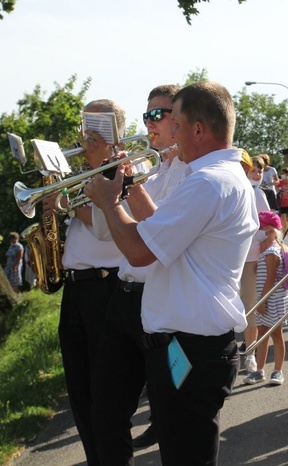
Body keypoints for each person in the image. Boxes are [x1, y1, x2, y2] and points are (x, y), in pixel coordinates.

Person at [84, 81, 257, 466]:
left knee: (185, 454)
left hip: (190, 346)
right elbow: (163, 227)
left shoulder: (207, 183)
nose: (169, 132)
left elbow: (139, 250)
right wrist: (126, 187)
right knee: (183, 450)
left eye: (175, 123)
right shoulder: (215, 179)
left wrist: (109, 202)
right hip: (187, 343)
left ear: (198, 130)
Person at [89, 84, 189, 460]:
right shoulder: (152, 170)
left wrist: (124, 185)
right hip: (124, 296)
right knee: (106, 409)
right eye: (146, 116)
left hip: (161, 304)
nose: (149, 124)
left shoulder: (190, 176)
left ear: (181, 120)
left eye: (158, 115)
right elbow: (107, 232)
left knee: (172, 415)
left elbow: (158, 235)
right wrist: (110, 177)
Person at [42, 99, 124, 465]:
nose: (85, 131)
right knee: (79, 389)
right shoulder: (84, 172)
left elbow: (108, 228)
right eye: (84, 122)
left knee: (103, 392)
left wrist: (67, 204)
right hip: (77, 288)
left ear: (112, 129)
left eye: (94, 123)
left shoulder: (122, 168)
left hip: (104, 286)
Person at [243, 211, 288, 386]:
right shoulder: (266, 250)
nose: (259, 230)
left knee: (276, 334)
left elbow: (270, 280)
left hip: (272, 299)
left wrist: (262, 301)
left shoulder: (272, 252)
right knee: (263, 335)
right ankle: (260, 371)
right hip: (266, 299)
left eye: (262, 227)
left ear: (271, 230)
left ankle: (278, 371)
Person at [237, 153, 270, 375]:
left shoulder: (256, 192)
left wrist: (262, 257)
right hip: (228, 259)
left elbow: (269, 227)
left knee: (250, 309)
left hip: (249, 259)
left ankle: (250, 353)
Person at [277, 166, 288, 234]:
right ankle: (284, 232)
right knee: (283, 218)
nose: (282, 175)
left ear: (287, 174)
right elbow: (276, 189)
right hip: (282, 202)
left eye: (283, 173)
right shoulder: (280, 182)